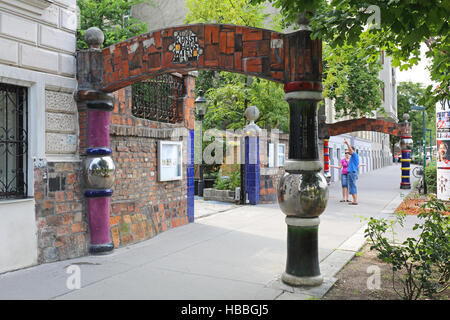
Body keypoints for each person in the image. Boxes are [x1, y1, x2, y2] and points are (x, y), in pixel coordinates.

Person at [344, 138, 359, 205]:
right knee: (352, 186)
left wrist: (347, 143)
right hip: (352, 173)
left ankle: (355, 201)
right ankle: (354, 200)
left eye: (348, 151)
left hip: (352, 173)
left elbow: (351, 150)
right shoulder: (353, 157)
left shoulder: (354, 155)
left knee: (352, 186)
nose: (348, 152)